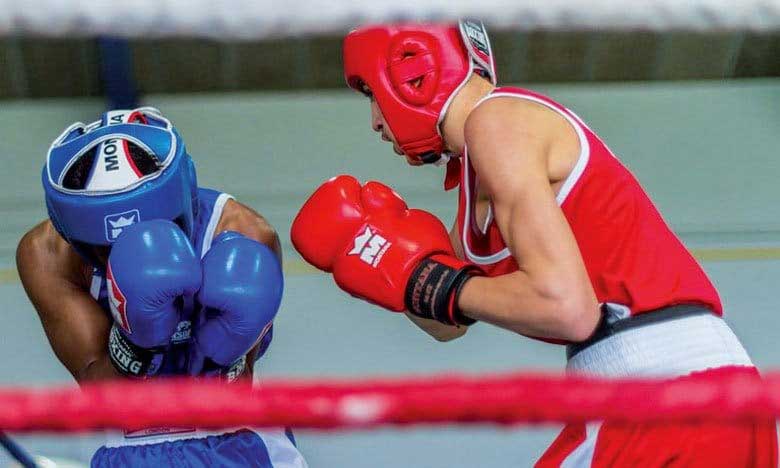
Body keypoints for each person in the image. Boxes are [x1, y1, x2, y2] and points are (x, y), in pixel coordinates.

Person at [291, 21, 777, 466]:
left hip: (663, 393)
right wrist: (379, 262)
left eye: (371, 94)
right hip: (663, 394)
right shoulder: (479, 174)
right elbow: (451, 321)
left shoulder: (498, 122)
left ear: (412, 71)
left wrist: (428, 279)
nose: (375, 123)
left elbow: (566, 310)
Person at [17, 107, 307, 467]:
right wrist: (137, 339)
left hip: (237, 440)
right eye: (102, 244)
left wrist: (223, 354)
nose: (118, 252)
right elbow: (97, 386)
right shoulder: (47, 253)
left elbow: (234, 386)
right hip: (125, 446)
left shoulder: (242, 232)